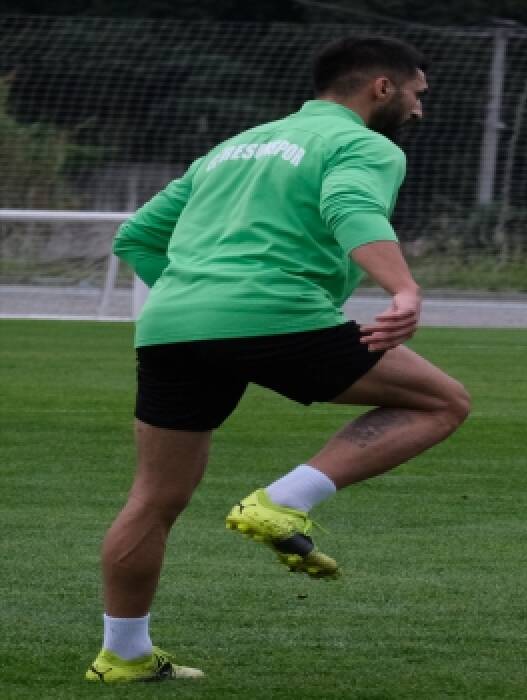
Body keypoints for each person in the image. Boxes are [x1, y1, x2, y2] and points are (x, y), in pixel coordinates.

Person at [84, 36, 471, 682]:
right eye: (416, 93)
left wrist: (202, 299)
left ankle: (122, 655)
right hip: (275, 312)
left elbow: (138, 236)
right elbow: (349, 207)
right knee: (443, 402)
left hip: (171, 326)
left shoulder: (234, 146)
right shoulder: (362, 144)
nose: (418, 109)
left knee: (153, 498)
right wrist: (402, 288)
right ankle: (284, 501)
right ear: (382, 87)